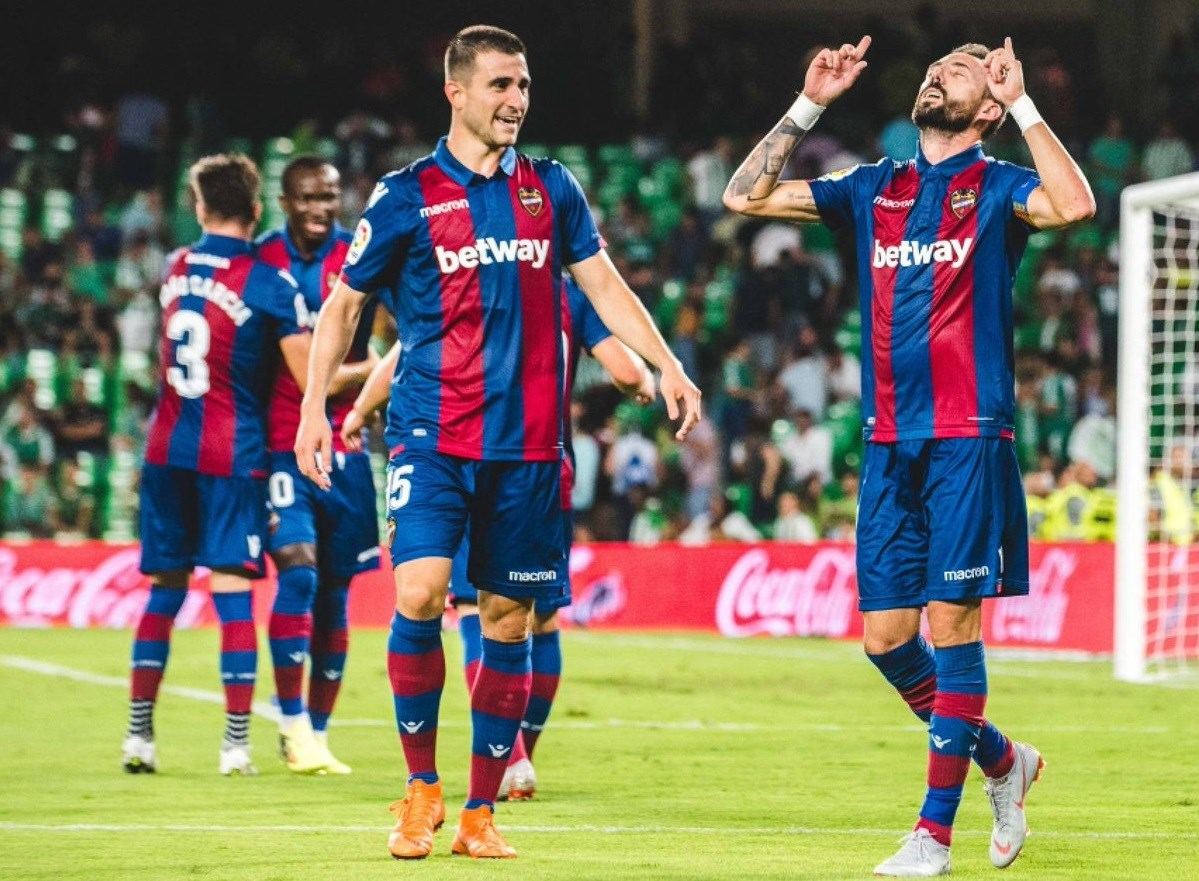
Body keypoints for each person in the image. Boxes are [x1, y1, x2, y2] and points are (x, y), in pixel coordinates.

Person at [293, 25, 700, 861]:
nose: (515, 100)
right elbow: (344, 306)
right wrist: (309, 407)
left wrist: (667, 363)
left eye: (522, 86)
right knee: (420, 592)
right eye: (500, 85)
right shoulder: (406, 194)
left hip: (527, 448)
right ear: (456, 91)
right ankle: (420, 790)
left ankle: (480, 810)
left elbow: (603, 285)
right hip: (432, 436)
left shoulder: (551, 189)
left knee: (510, 620)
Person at [724, 35, 1095, 876]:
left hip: (968, 434)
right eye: (937, 66)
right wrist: (809, 102)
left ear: (989, 106)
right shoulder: (872, 187)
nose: (939, 71)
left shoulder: (997, 187)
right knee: (886, 639)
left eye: (961, 66)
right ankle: (1002, 759)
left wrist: (1026, 102)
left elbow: (1073, 206)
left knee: (950, 625)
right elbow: (742, 196)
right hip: (889, 439)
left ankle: (932, 834)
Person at [342, 274, 653, 802]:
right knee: (539, 617)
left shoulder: (477, 276)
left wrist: (359, 409)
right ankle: (520, 754)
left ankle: (510, 756)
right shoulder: (574, 293)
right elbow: (624, 368)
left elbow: (405, 352)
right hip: (548, 471)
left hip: (473, 457)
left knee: (470, 606)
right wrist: (646, 378)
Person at [121, 154, 310, 777]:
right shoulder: (267, 282)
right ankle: (234, 746)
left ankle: (138, 739)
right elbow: (308, 377)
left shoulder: (176, 268)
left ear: (200, 208)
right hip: (233, 454)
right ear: (257, 211)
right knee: (231, 594)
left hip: (167, 447)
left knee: (164, 592)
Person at [255, 156, 382, 774]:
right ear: (285, 198)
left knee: (334, 594)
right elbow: (314, 374)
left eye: (328, 197)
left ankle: (317, 732)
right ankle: (291, 721)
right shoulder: (263, 263)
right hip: (284, 442)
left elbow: (383, 336)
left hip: (350, 449)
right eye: (307, 197)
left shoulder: (358, 257)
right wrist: (377, 367)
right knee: (299, 576)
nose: (319, 208)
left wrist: (375, 370)